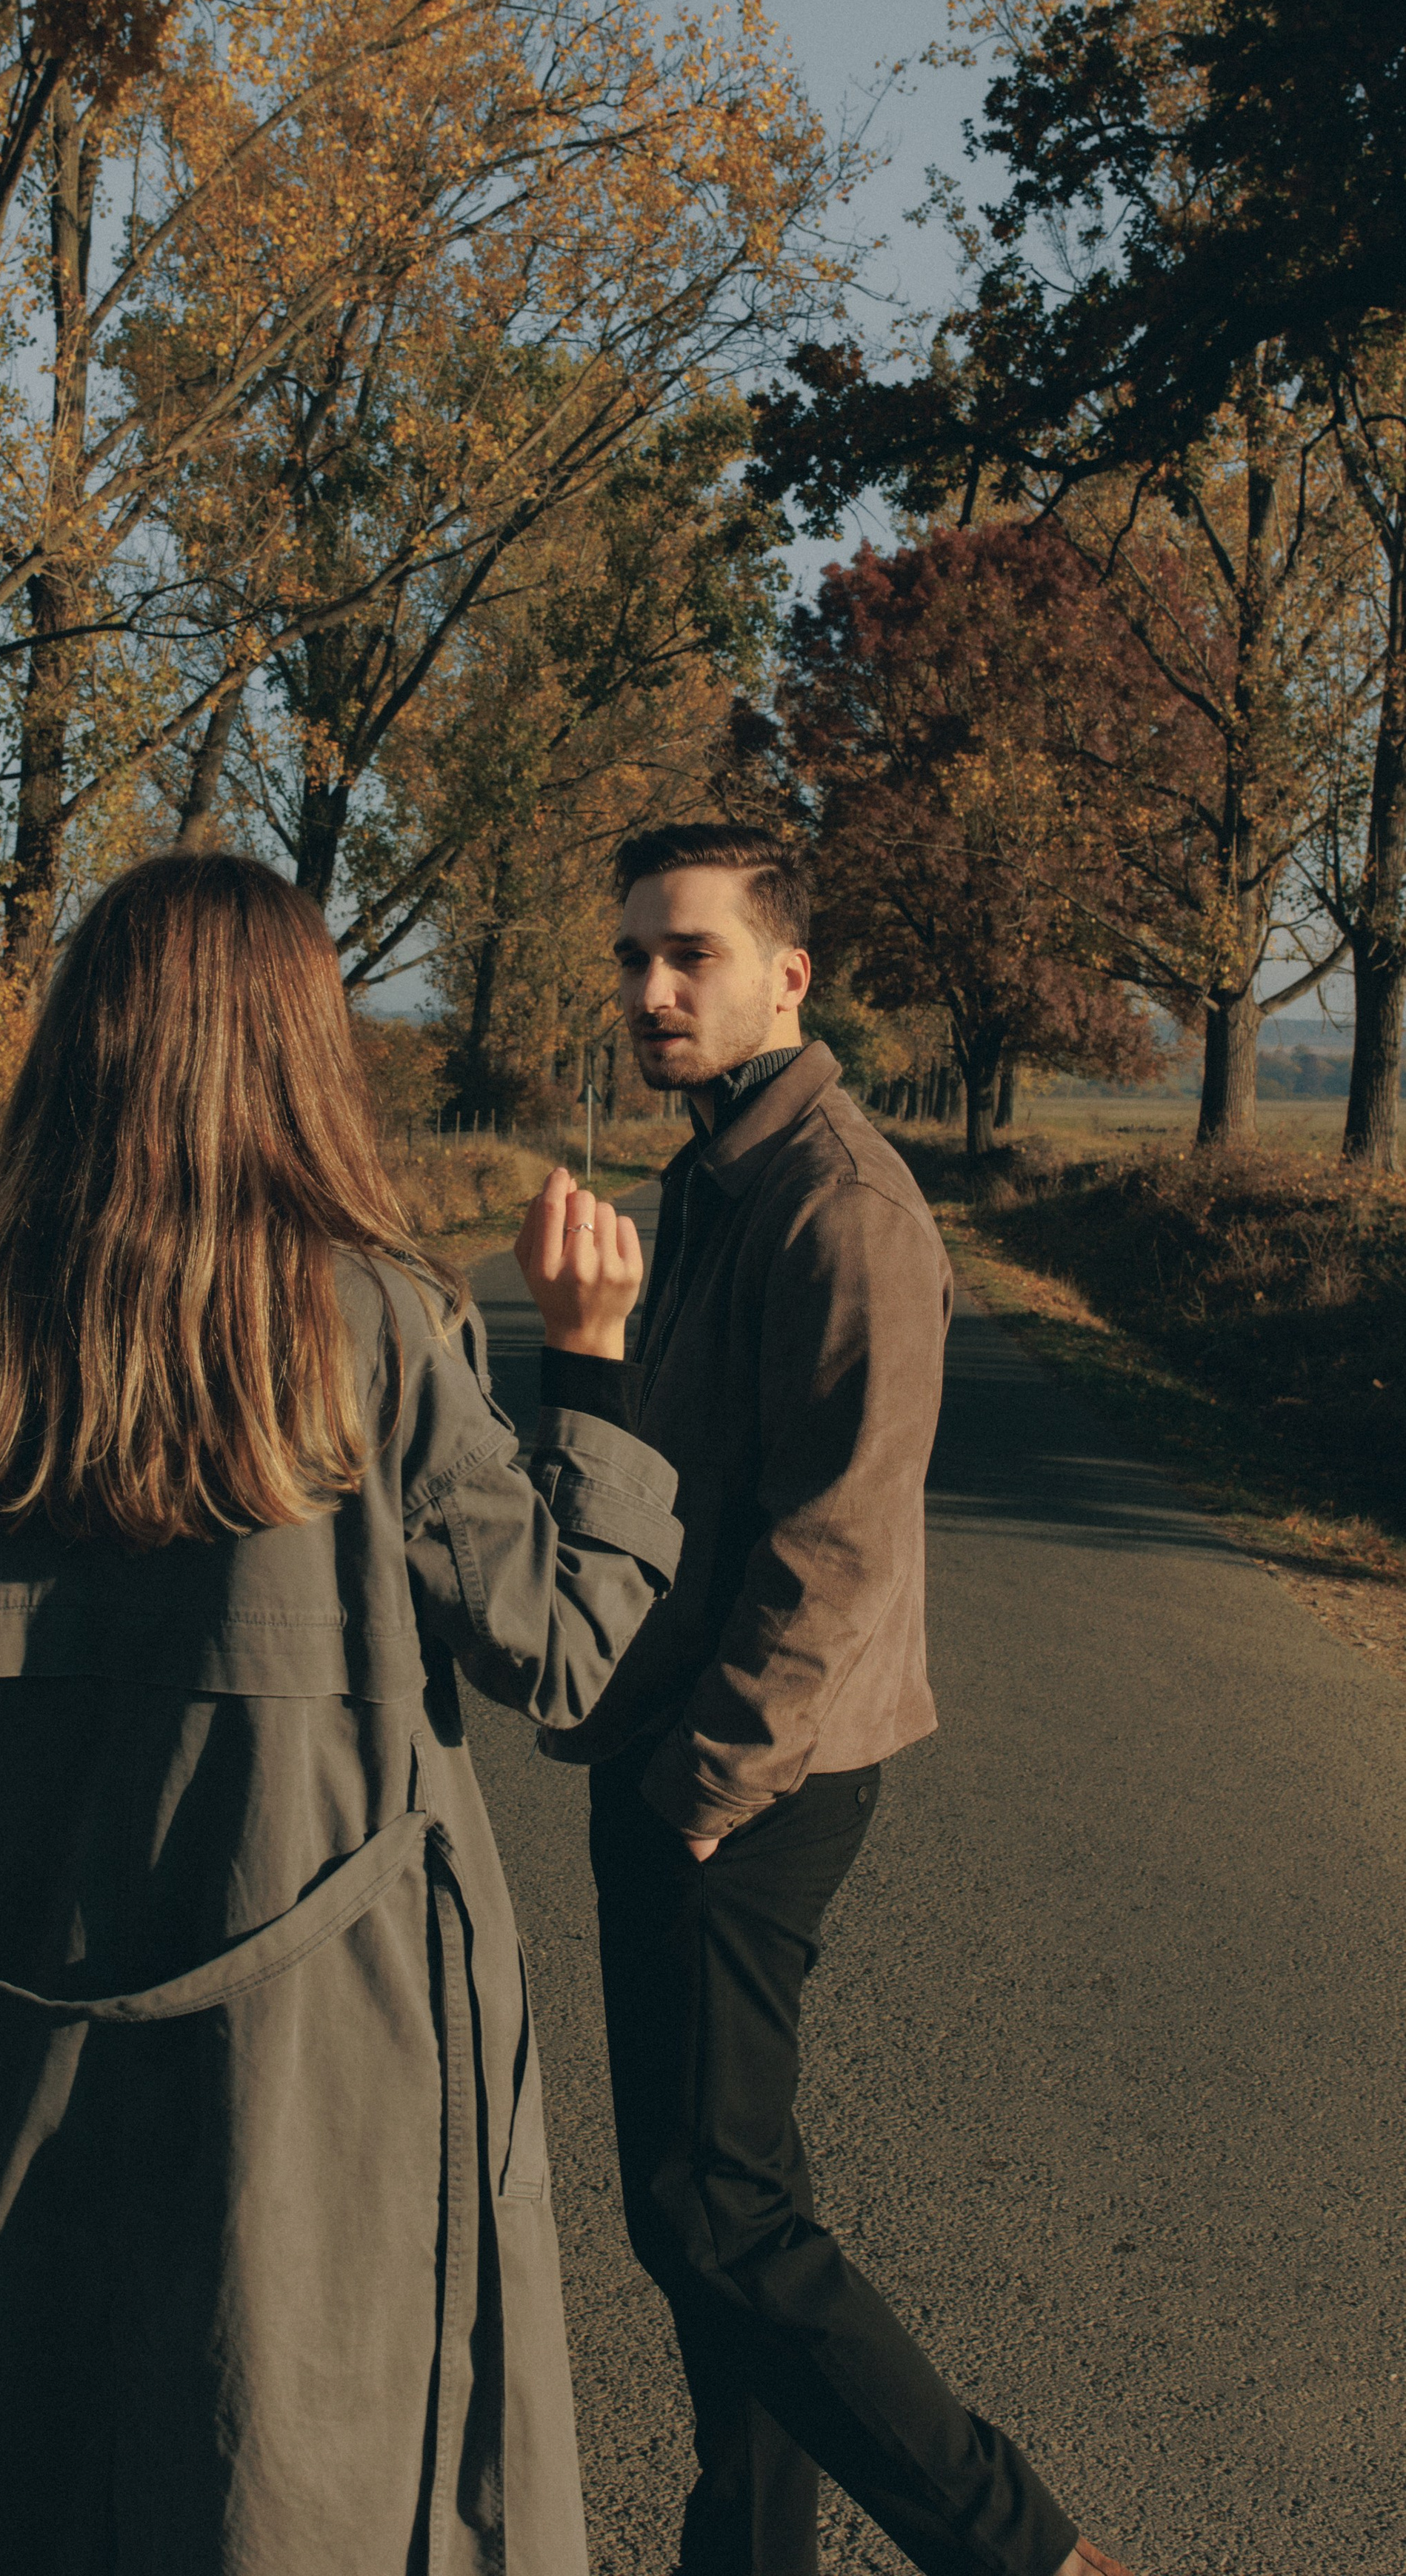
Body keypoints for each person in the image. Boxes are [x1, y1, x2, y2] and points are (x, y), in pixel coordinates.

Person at [0, 850, 684, 2576]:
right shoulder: (386, 1331)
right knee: (294, 2441)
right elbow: (566, 1653)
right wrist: (594, 1367)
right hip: (319, 2036)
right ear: (302, 1057)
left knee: (1, 2445)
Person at [539, 824, 1136, 2576]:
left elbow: (845, 1543)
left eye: (690, 956)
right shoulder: (712, 1176)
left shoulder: (838, 1202)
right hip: (672, 1742)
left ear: (785, 976)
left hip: (747, 1768)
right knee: (714, 2207)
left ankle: (1023, 2553)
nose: (650, 989)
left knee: (708, 2206)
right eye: (635, 954)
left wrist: (711, 1777)